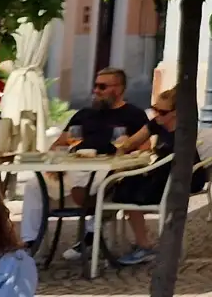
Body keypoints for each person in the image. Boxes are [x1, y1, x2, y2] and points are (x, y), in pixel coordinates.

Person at [26, 68, 150, 258]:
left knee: (104, 184)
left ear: (118, 89)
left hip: (110, 170)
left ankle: (90, 236)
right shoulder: (84, 114)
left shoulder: (134, 115)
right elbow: (60, 143)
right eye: (95, 86)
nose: (96, 91)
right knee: (34, 185)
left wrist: (127, 147)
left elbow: (145, 149)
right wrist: (55, 163)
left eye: (102, 86)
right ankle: (30, 241)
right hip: (74, 169)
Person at [106, 90, 212, 266]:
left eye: (162, 112)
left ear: (175, 113)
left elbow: (169, 165)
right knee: (123, 186)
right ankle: (108, 234)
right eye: (154, 109)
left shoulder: (181, 135)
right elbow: (133, 142)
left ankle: (143, 246)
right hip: (164, 175)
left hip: (180, 181)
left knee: (124, 191)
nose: (157, 114)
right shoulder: (158, 123)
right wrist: (121, 148)